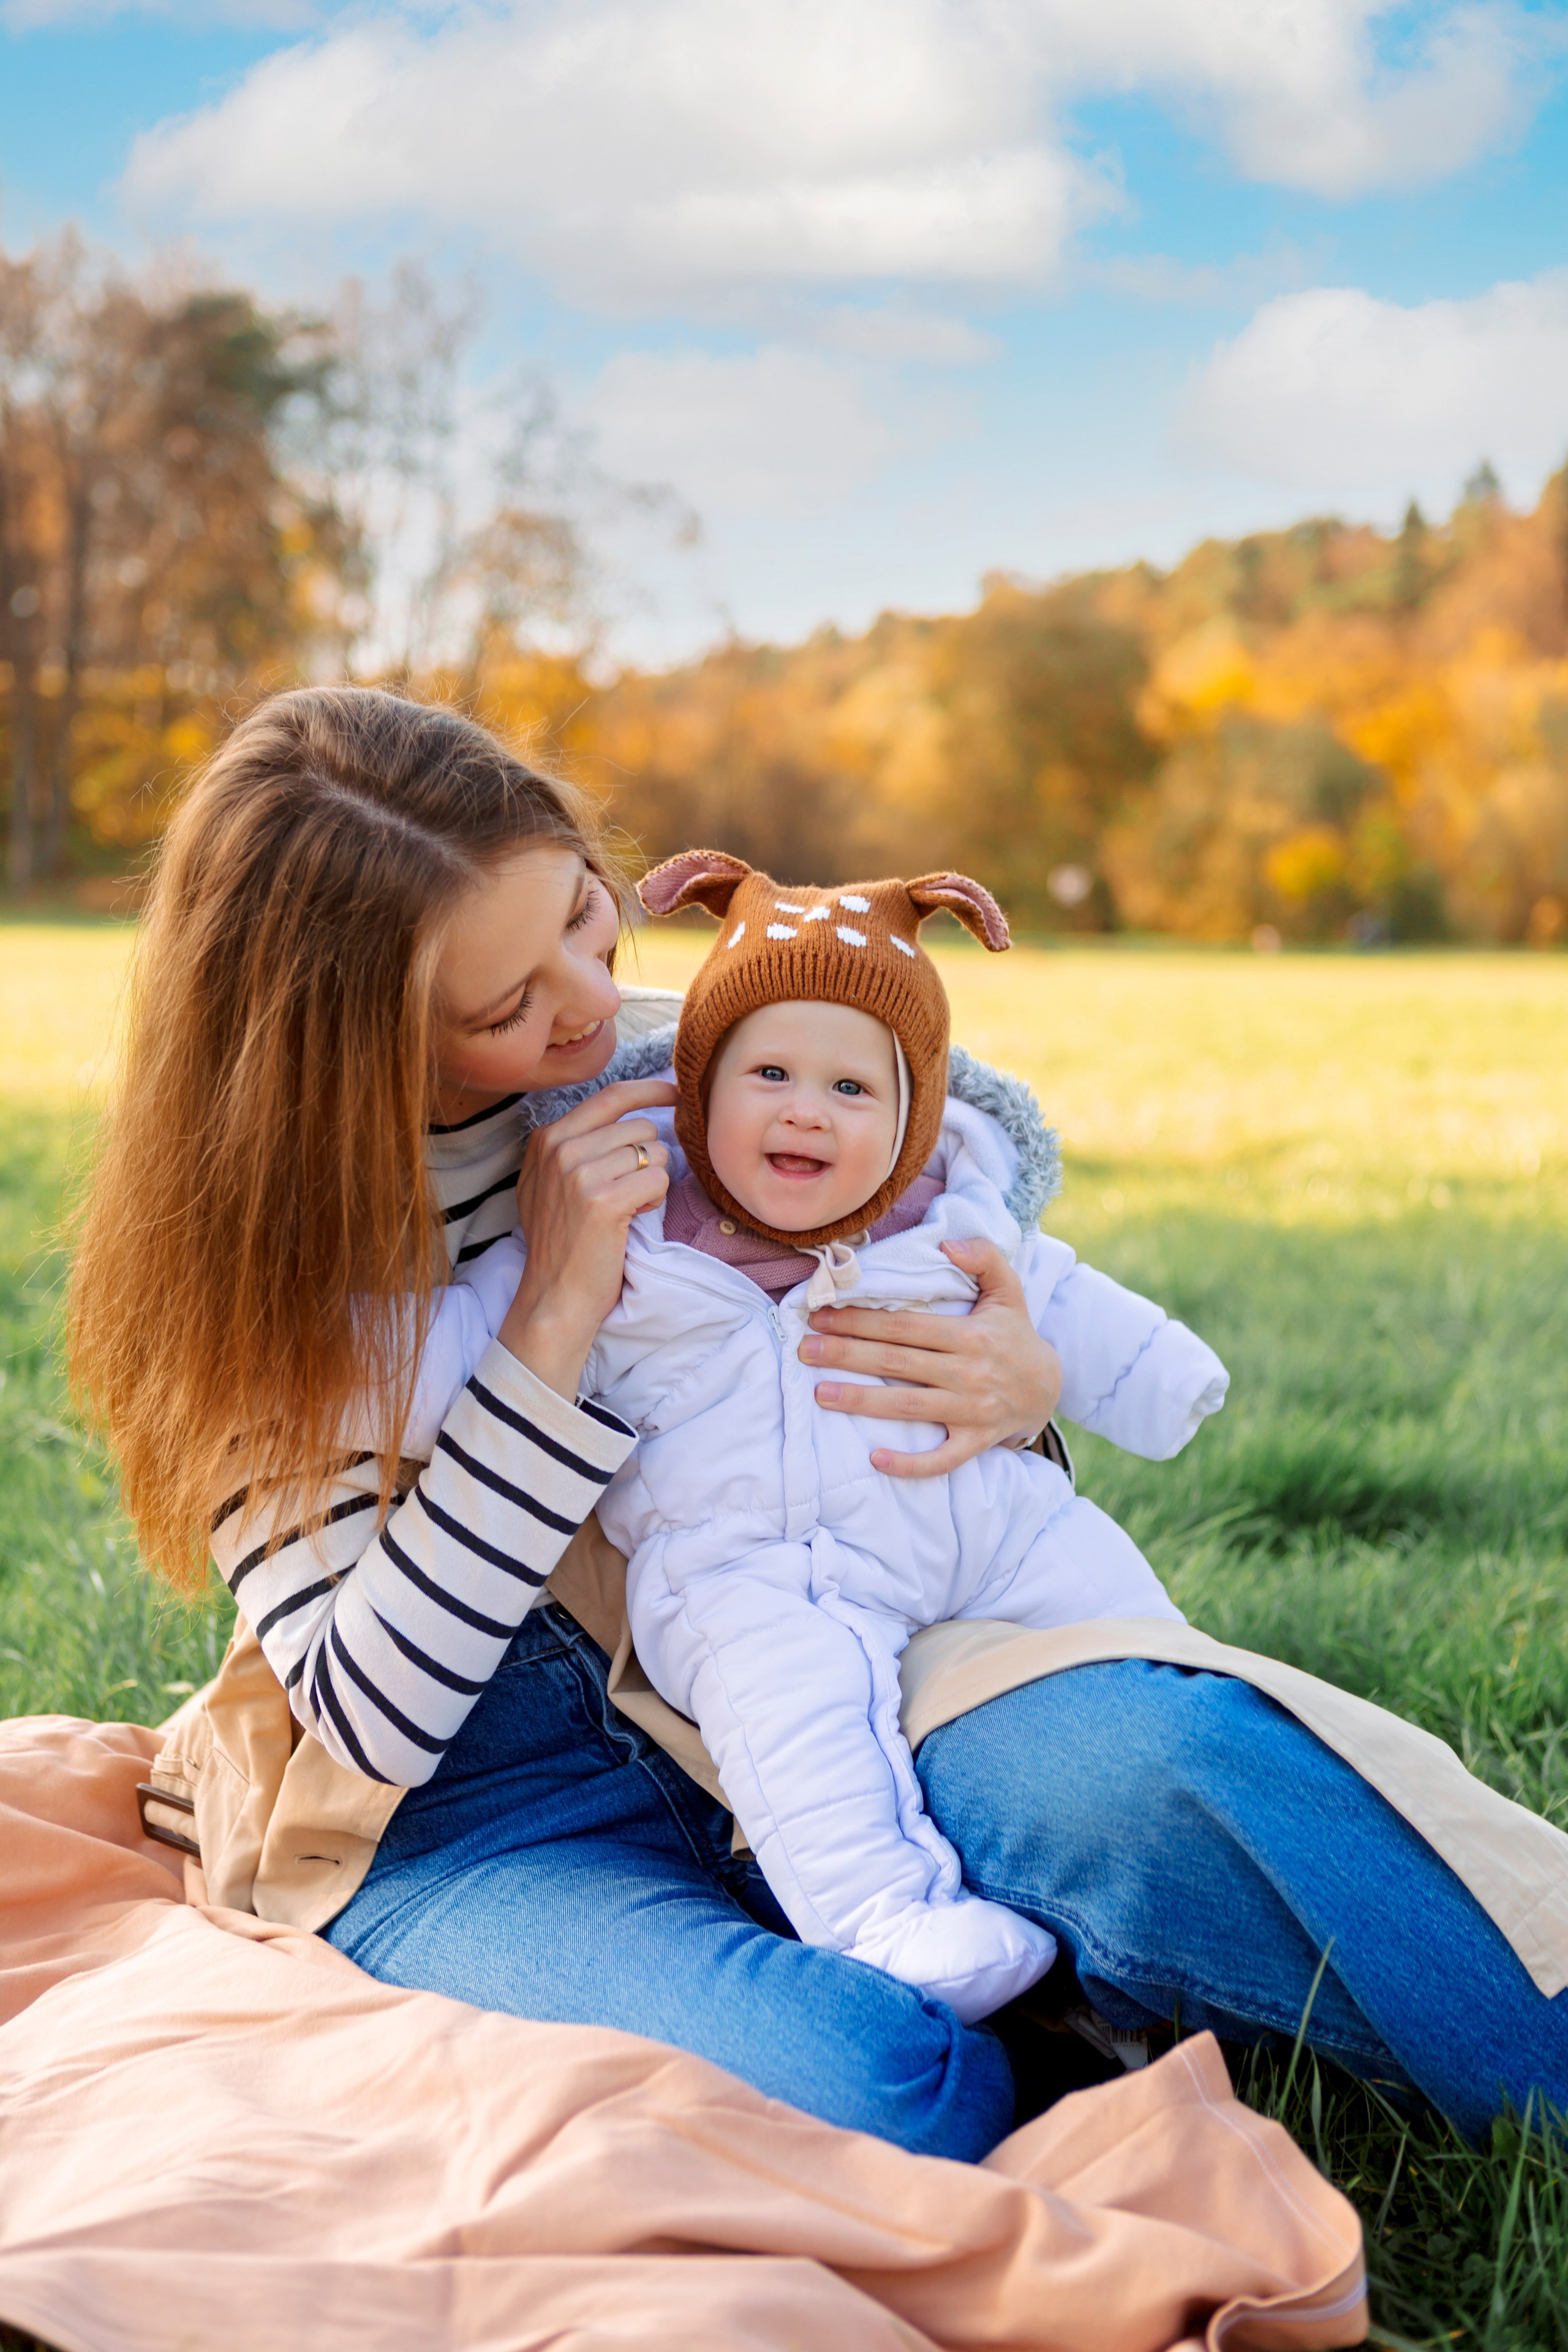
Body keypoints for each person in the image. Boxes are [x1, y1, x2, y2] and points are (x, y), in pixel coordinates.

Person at [70, 686, 1568, 2165]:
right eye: (506, 1006)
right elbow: (376, 1717)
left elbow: (873, 1327)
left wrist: (1012, 1389)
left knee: (1163, 1764)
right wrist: (548, 1322)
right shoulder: (246, 1255)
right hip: (484, 1809)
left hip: (809, 1656)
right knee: (871, 2084)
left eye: (585, 919)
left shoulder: (688, 1067)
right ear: (349, 1042)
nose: (590, 1006)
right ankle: (1023, 2000)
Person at [393, 850, 1226, 2024]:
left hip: (985, 1527)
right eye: (770, 1074)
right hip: (752, 1566)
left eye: (851, 1089)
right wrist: (327, 1368)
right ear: (699, 1088)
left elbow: (1056, 1296)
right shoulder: (626, 1226)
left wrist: (1133, 1380)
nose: (805, 1110)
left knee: (1129, 1625)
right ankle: (895, 1924)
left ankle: (1228, 1740)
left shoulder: (947, 1215)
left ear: (913, 1115)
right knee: (798, 1726)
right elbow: (465, 1338)